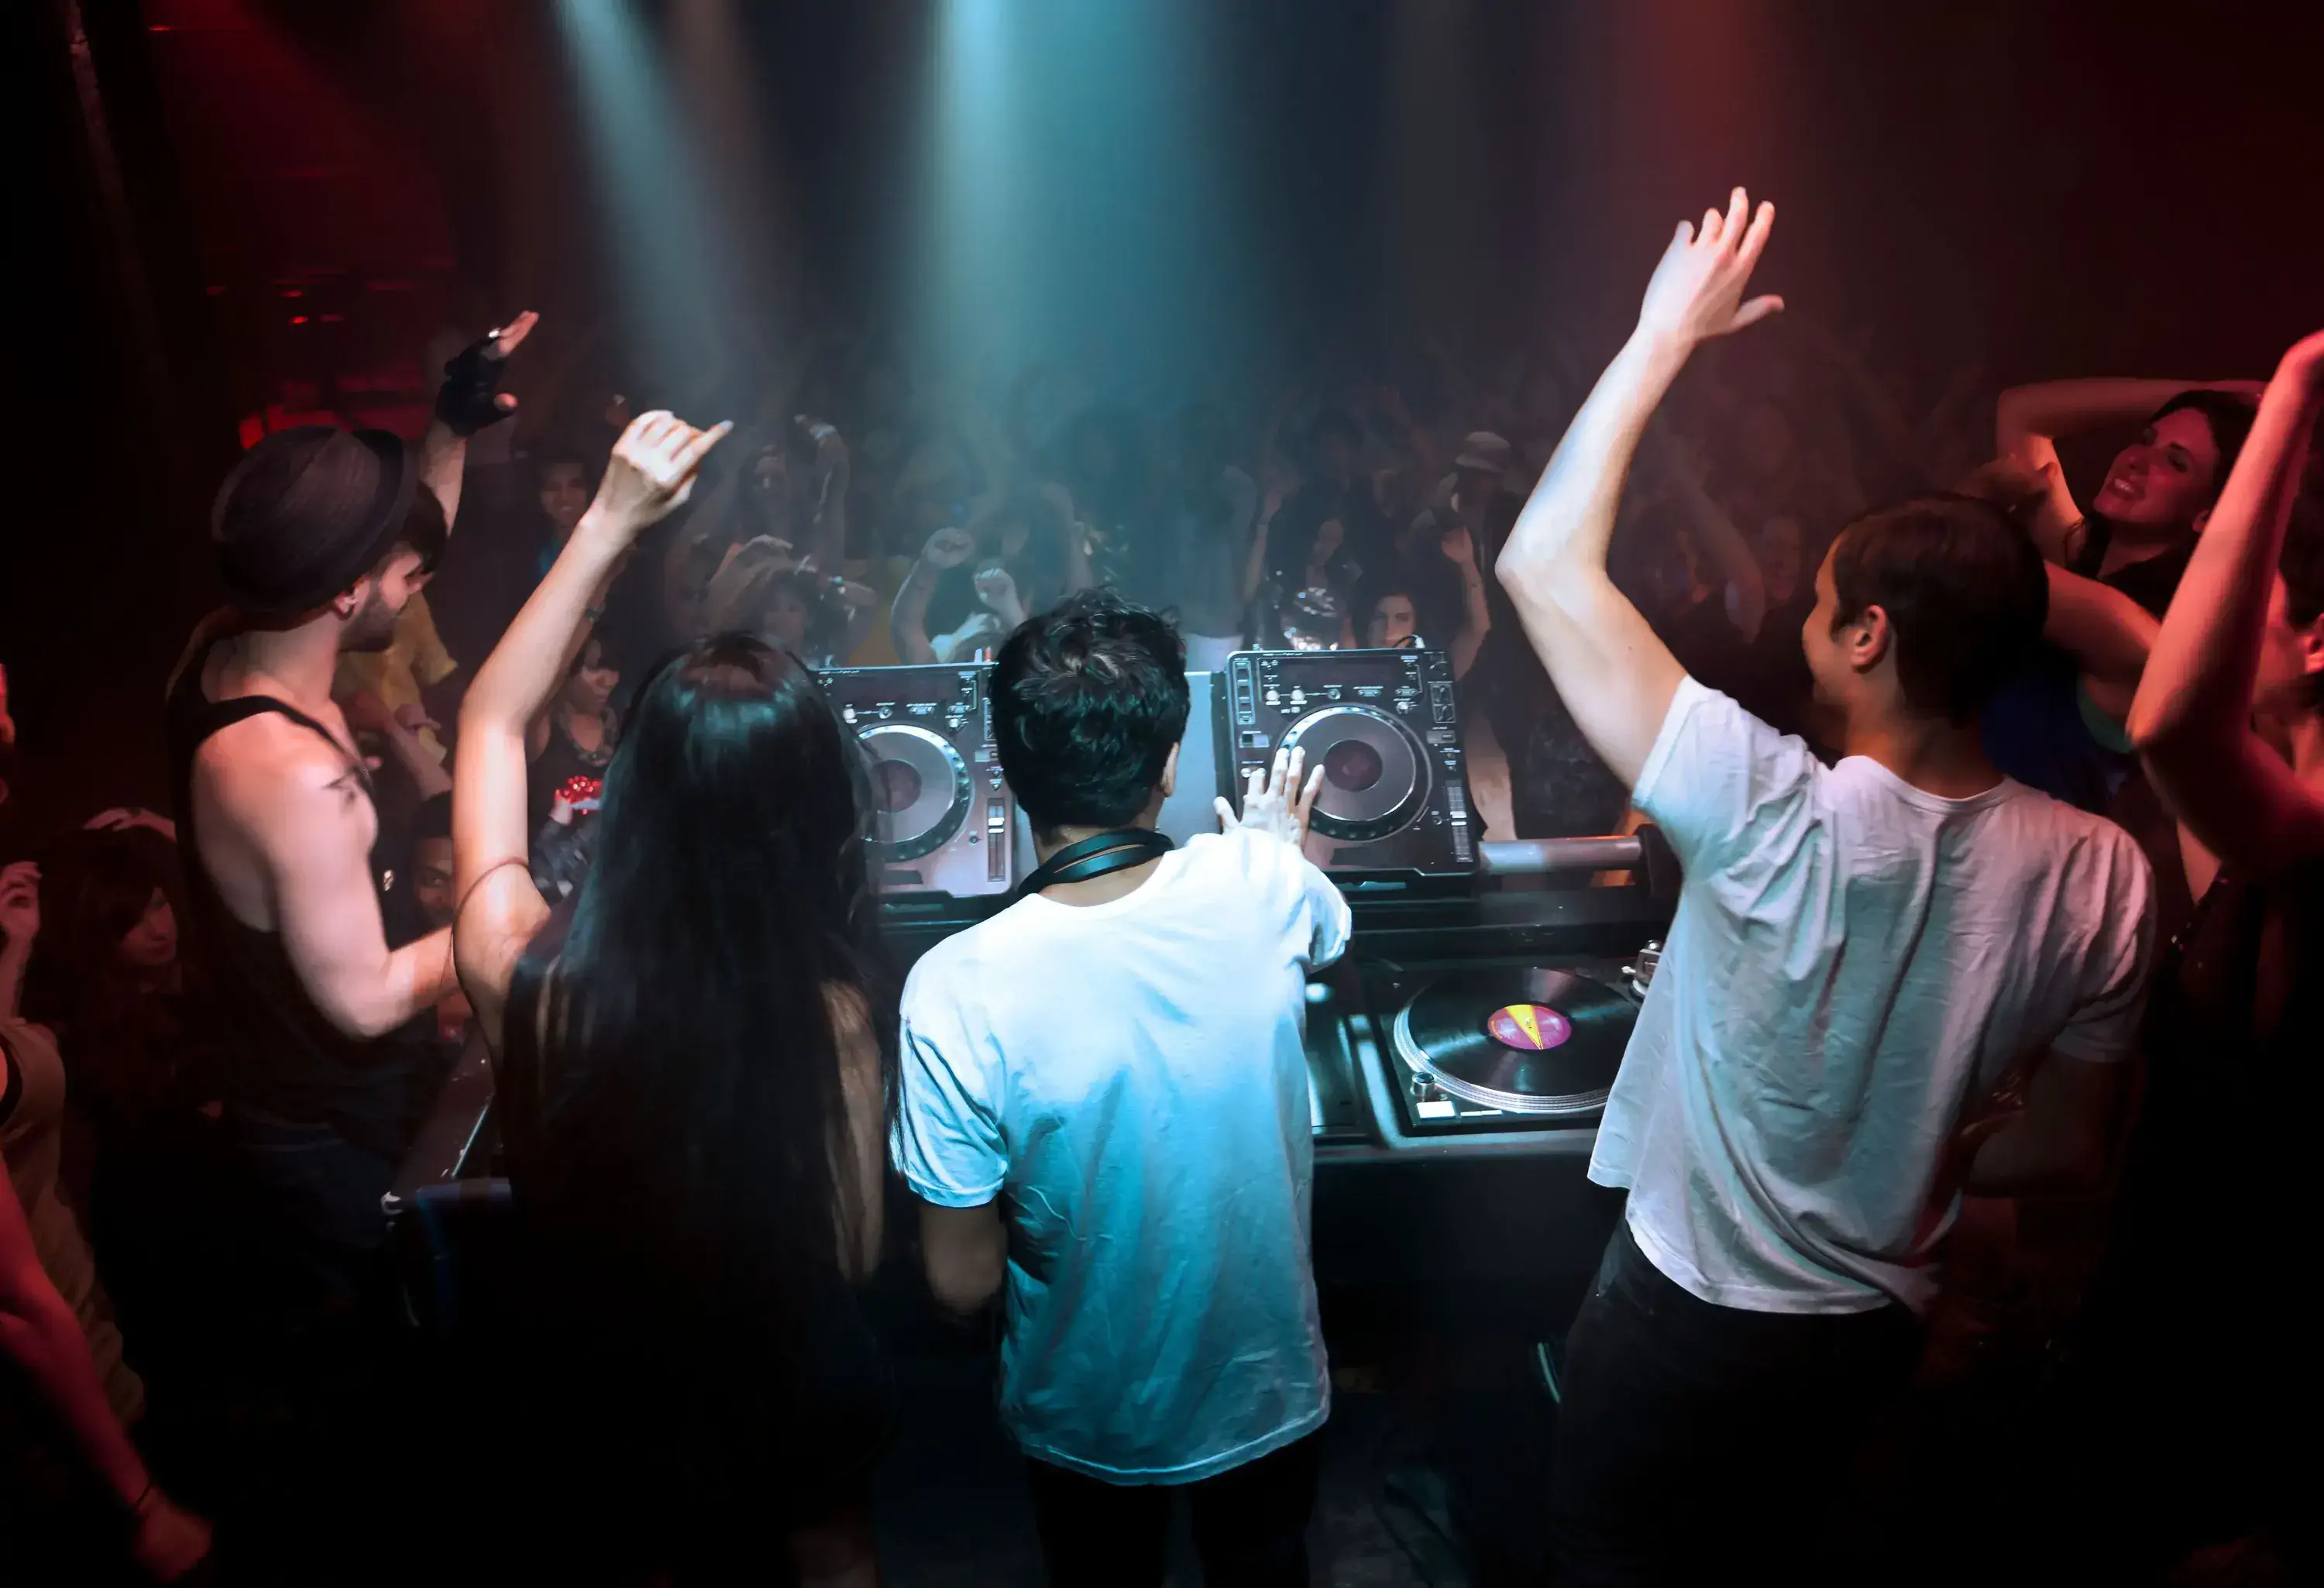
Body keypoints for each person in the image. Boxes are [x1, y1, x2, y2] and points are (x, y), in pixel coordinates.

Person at [1495, 191, 2154, 1586]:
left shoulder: (1769, 805)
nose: (1797, 618)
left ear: (1866, 634)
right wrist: (1922, 1131)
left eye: (1818, 600)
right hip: (1876, 1332)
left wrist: (1661, 335)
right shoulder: (2104, 872)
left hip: (1687, 1310)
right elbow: (2067, 1152)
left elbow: (1542, 566)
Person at [451, 410, 892, 1586]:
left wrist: (607, 521)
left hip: (605, 1375)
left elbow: (490, 723)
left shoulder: (521, 975)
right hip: (781, 1378)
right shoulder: (834, 1015)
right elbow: (850, 1251)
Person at [893, 590, 1350, 1588]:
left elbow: (959, 1281)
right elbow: (1316, 923)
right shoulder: (1260, 888)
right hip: (1264, 1392)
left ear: (1006, 775)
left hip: (1085, 1410)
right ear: (1172, 762)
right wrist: (1267, 850)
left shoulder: (955, 985)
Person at [164, 313, 532, 1311]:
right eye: (406, 577)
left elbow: (406, 549)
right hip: (324, 1135)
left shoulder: (233, 644)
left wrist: (448, 432)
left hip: (327, 1100)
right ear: (347, 591)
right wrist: (507, 922)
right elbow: (364, 996)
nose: (423, 584)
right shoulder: (284, 772)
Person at [2068, 327, 2324, 1578]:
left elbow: (2170, 712)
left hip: (2260, 1351)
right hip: (2157, 1296)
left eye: (2241, 591)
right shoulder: (2190, 829)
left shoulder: (2307, 839)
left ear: (2315, 641)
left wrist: (2294, 387)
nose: (2195, 626)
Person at [1161, 402, 1263, 672]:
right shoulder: (1168, 484)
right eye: (1191, 436)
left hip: (1218, 620)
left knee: (1210, 697)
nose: (1197, 447)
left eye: (1205, 437)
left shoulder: (1237, 486)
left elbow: (1235, 547)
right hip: (1170, 613)